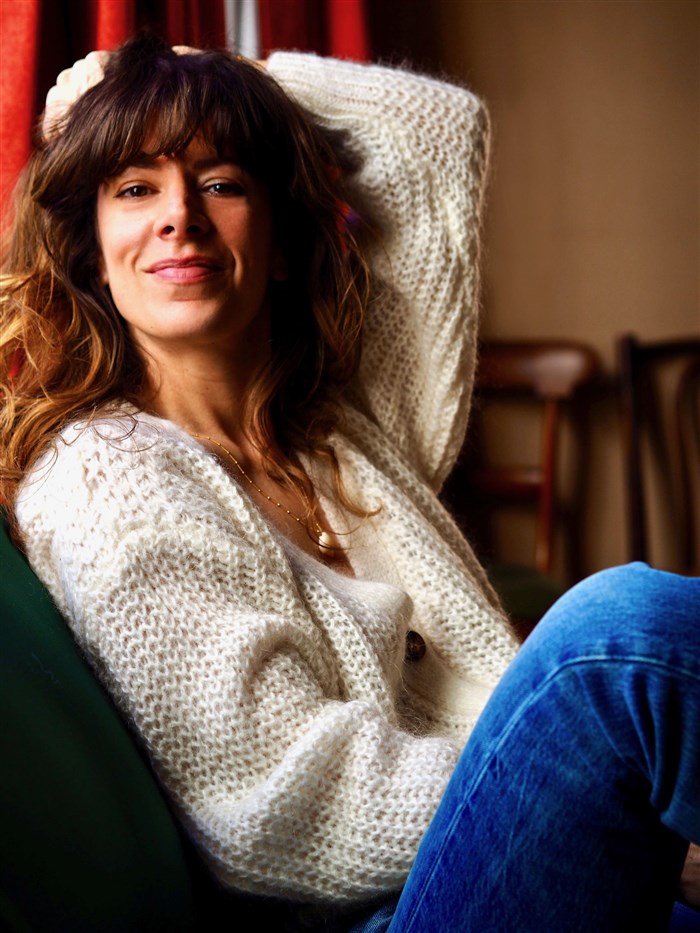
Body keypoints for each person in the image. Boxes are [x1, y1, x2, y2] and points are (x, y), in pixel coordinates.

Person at [0, 32, 698, 933]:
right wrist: (586, 790)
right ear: (97, 255)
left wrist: (232, 77)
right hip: (376, 914)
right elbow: (279, 798)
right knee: (620, 636)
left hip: (508, 861)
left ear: (281, 247)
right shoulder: (107, 475)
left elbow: (438, 133)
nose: (179, 215)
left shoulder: (341, 428)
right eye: (135, 188)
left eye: (221, 182)